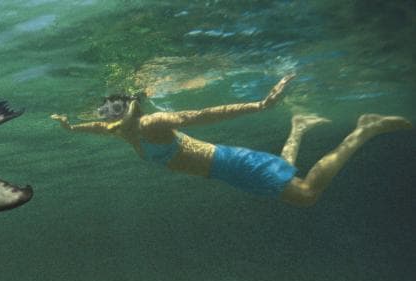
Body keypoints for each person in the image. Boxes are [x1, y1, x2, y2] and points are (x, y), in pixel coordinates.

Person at [51, 75, 411, 206]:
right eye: (105, 117)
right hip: (225, 172)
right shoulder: (122, 132)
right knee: (286, 174)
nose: (106, 121)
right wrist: (70, 128)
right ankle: (299, 126)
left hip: (231, 163)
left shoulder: (151, 124)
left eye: (111, 113)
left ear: (129, 107)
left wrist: (260, 105)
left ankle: (366, 128)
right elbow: (91, 128)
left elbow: (205, 115)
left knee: (305, 195)